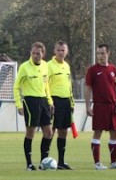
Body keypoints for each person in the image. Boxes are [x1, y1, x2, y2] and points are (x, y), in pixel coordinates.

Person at [14, 42, 54, 170]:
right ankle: (29, 164)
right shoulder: (24, 67)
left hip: (43, 101)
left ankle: (44, 162)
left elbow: (46, 85)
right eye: (33, 53)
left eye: (38, 53)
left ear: (43, 54)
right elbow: (16, 87)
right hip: (30, 101)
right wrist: (19, 104)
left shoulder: (45, 66)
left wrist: (50, 101)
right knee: (30, 132)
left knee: (48, 133)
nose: (36, 56)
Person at [84, 44, 116, 170]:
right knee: (97, 133)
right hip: (99, 106)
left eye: (102, 53)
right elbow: (88, 88)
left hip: (112, 106)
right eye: (98, 53)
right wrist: (88, 106)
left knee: (114, 133)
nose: (100, 56)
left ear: (108, 53)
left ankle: (114, 162)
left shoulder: (113, 69)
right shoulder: (92, 70)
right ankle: (97, 163)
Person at [47, 41, 75, 169]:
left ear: (66, 52)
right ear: (54, 51)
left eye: (63, 50)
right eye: (58, 50)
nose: (61, 52)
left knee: (63, 132)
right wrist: (49, 102)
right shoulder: (48, 66)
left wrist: (72, 102)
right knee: (50, 131)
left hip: (66, 101)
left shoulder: (67, 66)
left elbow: (69, 86)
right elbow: (45, 85)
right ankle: (44, 160)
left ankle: (61, 162)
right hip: (54, 100)